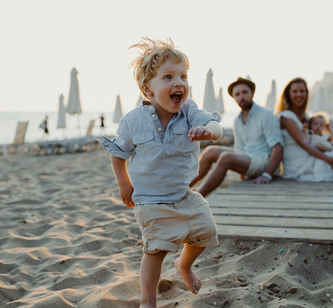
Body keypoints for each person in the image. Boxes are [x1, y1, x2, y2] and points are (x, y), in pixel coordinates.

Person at [99, 37, 222, 308]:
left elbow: (215, 127)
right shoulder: (133, 120)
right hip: (150, 199)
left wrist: (208, 131)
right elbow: (118, 154)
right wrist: (124, 184)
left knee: (206, 232)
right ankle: (148, 300)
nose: (179, 82)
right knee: (155, 250)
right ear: (148, 89)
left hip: (184, 194)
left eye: (183, 76)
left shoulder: (189, 112)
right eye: (168, 77)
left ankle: (184, 265)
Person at [189, 77, 284, 197]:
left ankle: (197, 197)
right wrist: (242, 173)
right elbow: (239, 148)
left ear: (252, 93)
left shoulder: (266, 114)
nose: (241, 97)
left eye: (245, 92)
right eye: (237, 94)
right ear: (234, 98)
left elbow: (278, 147)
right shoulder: (237, 120)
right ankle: (183, 190)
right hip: (247, 157)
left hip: (264, 162)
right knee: (210, 151)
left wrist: (267, 174)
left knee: (226, 157)